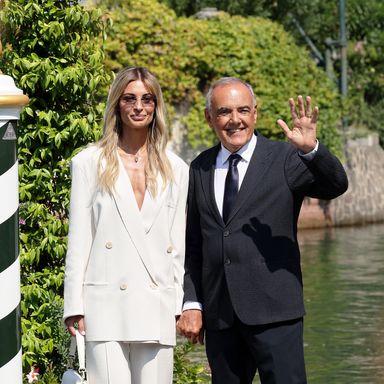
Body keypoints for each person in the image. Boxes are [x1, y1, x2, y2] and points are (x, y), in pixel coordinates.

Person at [176, 77, 348, 384]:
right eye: (225, 111)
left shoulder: (285, 158)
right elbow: (194, 244)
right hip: (221, 317)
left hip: (276, 312)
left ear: (255, 113)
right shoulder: (199, 167)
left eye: (243, 110)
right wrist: (192, 302)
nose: (235, 120)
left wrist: (312, 151)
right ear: (209, 117)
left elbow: (336, 185)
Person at [63, 66, 189, 384]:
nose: (139, 106)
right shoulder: (88, 163)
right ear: (117, 104)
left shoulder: (176, 168)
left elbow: (177, 243)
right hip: (104, 303)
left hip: (156, 300)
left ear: (156, 106)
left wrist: (178, 304)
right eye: (130, 98)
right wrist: (74, 305)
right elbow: (79, 239)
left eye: (147, 99)